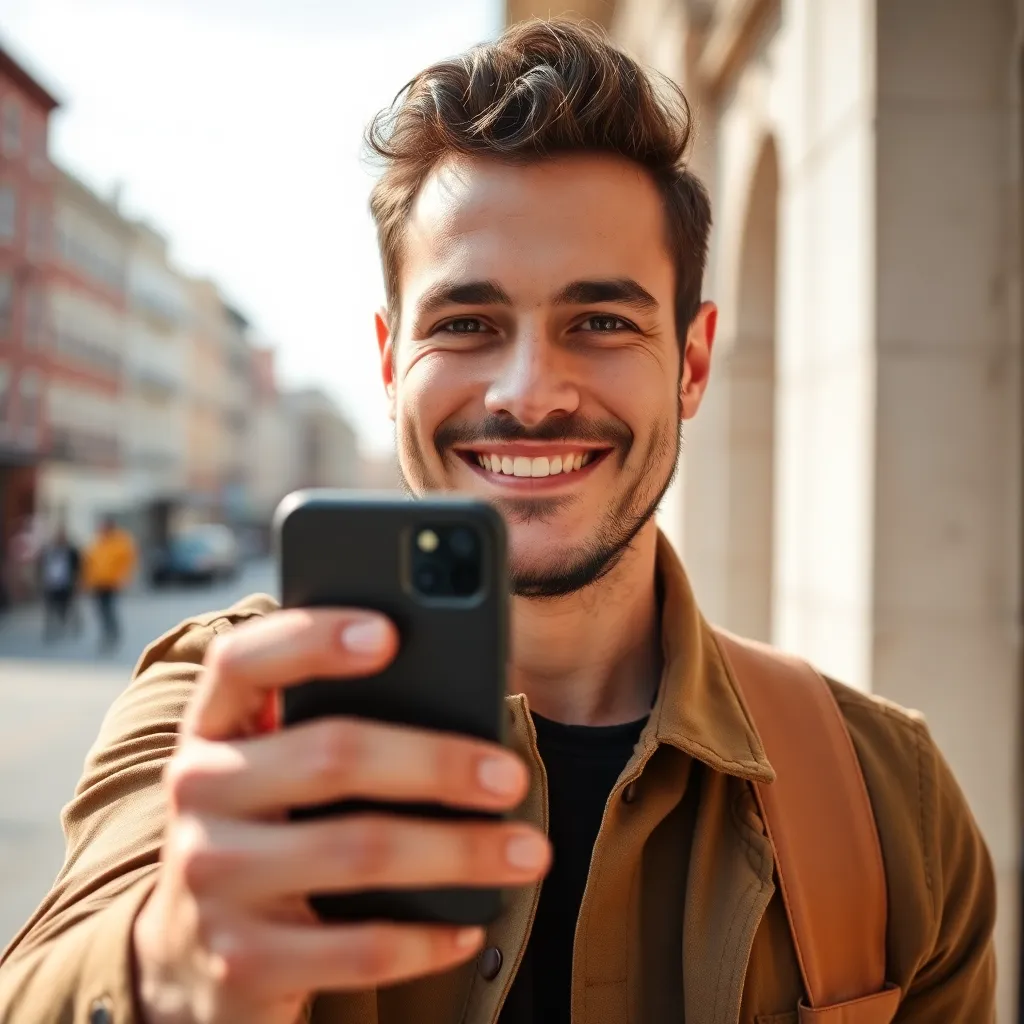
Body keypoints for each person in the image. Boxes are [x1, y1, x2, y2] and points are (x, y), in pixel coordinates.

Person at [0, 19, 996, 1024]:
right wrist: (163, 966)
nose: (528, 393)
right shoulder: (217, 714)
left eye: (600, 322)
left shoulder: (885, 797)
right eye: (466, 324)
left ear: (692, 364)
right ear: (390, 363)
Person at [82, 516, 137, 652]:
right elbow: (88, 563)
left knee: (110, 610)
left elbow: (128, 562)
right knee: (100, 611)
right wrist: (86, 581)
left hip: (113, 583)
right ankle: (105, 633)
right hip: (97, 582)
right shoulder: (96, 542)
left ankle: (113, 633)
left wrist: (124, 578)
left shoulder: (121, 542)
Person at [37, 526, 82, 641]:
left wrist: (77, 581)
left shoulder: (71, 551)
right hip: (51, 584)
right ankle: (51, 630)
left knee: (65, 607)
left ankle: (65, 624)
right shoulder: (48, 551)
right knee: (51, 608)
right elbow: (41, 566)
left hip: (66, 584)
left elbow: (78, 567)